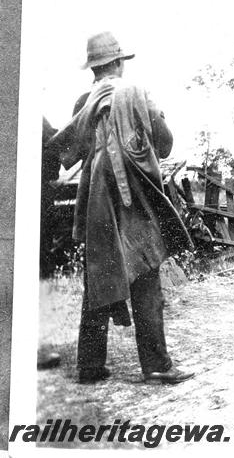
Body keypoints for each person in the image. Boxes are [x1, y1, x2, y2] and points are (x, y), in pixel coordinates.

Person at [47, 32, 195, 385]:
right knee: (144, 270)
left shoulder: (83, 102)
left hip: (97, 196)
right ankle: (157, 364)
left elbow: (75, 151)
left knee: (99, 271)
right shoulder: (137, 94)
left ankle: (90, 365)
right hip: (133, 197)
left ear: (94, 69)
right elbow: (164, 144)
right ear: (117, 63)